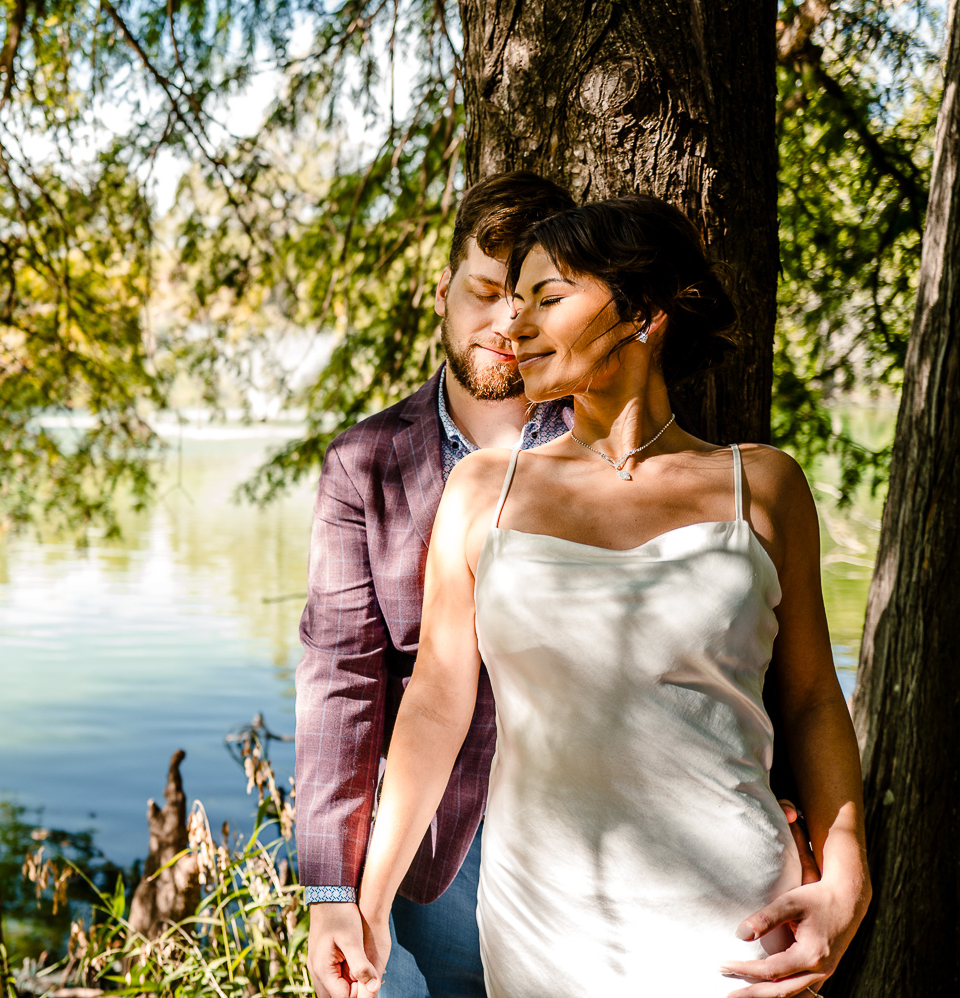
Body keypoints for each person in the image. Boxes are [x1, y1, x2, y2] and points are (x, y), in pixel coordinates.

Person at [352, 196, 870, 998]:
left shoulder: (762, 485)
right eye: (512, 300)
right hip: (541, 924)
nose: (514, 325)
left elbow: (808, 698)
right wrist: (369, 899)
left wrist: (847, 880)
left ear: (642, 312)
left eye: (546, 299)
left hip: (735, 923)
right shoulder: (483, 489)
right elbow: (434, 706)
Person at [296, 172, 577, 998]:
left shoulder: (605, 443)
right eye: (484, 291)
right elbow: (339, 682)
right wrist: (329, 892)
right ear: (443, 289)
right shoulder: (364, 465)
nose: (504, 323)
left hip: (589, 826)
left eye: (531, 301)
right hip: (438, 844)